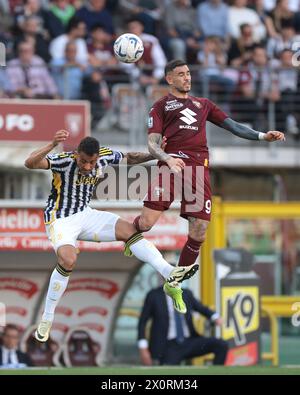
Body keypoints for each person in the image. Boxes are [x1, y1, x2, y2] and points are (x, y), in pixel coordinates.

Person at [24, 132, 199, 342]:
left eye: (91, 162)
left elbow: (131, 158)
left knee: (131, 231)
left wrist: (158, 156)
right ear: (77, 154)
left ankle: (169, 273)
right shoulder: (64, 161)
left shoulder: (104, 156)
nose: (87, 166)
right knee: (68, 259)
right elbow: (30, 163)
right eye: (83, 161)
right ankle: (48, 316)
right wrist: (51, 144)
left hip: (85, 213)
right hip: (60, 218)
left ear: (97, 157)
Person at [133, 59, 285, 270]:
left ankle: (177, 278)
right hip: (171, 166)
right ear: (169, 79)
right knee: (145, 223)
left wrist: (262, 136)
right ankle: (127, 237)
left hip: (197, 170)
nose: (187, 77)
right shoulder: (160, 106)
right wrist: (166, 158)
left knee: (199, 230)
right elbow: (152, 144)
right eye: (181, 74)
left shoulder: (203, 104)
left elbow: (233, 126)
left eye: (188, 73)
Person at [138, 285, 228, 365]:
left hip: (189, 341)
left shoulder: (186, 293)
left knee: (221, 345)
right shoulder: (154, 295)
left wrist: (215, 317)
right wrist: (143, 348)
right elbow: (142, 322)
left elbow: (200, 308)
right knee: (168, 371)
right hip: (168, 345)